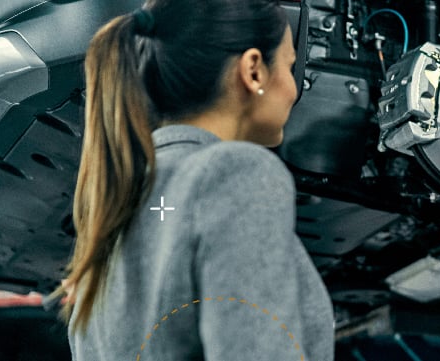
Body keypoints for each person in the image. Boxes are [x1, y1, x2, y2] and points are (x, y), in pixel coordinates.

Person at [55, 0, 334, 360]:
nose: (295, 90)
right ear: (253, 70)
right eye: (290, 66)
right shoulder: (236, 174)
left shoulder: (108, 223)